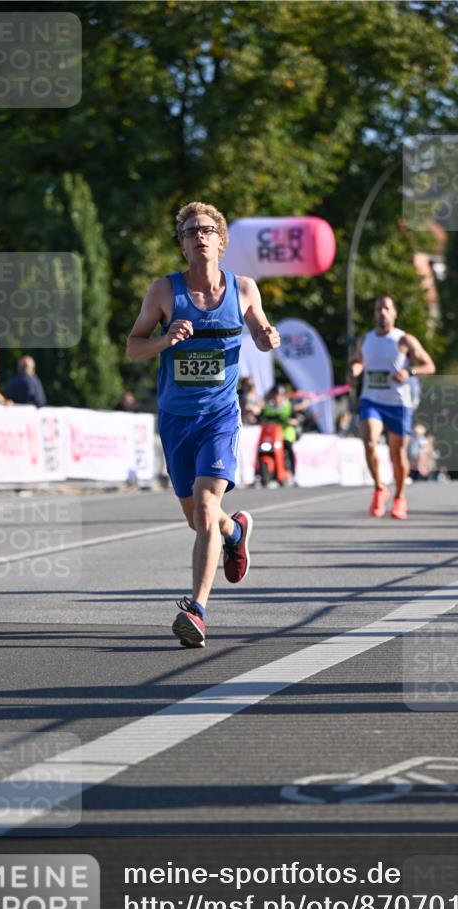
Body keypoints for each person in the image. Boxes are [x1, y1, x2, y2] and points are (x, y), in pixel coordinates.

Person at [126, 201, 280, 648]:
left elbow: (263, 333)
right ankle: (237, 531)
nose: (199, 236)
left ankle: (197, 610)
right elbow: (133, 347)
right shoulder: (162, 292)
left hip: (219, 414)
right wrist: (164, 339)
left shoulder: (245, 289)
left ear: (221, 240)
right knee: (199, 519)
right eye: (190, 231)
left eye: (207, 229)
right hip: (176, 419)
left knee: (206, 505)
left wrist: (268, 338)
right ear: (182, 245)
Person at [349, 294, 435, 519]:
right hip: (372, 400)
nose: (382, 312)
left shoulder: (405, 340)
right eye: (378, 309)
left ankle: (400, 497)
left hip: (398, 403)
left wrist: (410, 371)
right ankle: (379, 488)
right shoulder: (365, 339)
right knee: (369, 442)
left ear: (394, 312)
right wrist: (354, 371)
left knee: (398, 454)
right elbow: (358, 361)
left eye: (386, 308)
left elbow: (429, 365)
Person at [259, 384, 305, 477]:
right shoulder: (269, 406)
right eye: (275, 394)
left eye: (279, 395)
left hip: (285, 433)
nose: (277, 397)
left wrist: (291, 421)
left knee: (288, 448)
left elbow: (295, 418)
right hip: (271, 434)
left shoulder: (288, 406)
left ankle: (292, 472)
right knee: (261, 449)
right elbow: (262, 418)